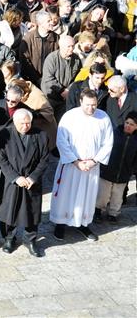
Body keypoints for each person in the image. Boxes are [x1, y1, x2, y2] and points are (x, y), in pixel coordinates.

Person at [50, 90, 113, 242]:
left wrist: (93, 161)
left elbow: (108, 143)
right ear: (80, 102)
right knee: (66, 193)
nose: (91, 108)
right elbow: (61, 140)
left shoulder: (103, 117)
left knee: (87, 195)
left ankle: (82, 223)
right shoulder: (70, 116)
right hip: (71, 164)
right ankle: (60, 223)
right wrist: (76, 161)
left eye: (94, 105)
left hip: (91, 166)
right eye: (87, 105)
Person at [0, 109, 50, 256]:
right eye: (22, 123)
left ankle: (30, 239)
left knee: (31, 212)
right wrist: (15, 177)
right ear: (14, 122)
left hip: (32, 181)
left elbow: (44, 159)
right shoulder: (4, 134)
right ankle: (9, 238)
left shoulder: (41, 135)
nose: (25, 126)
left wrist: (33, 177)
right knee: (9, 209)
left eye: (28, 123)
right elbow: (2, 159)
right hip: (12, 181)